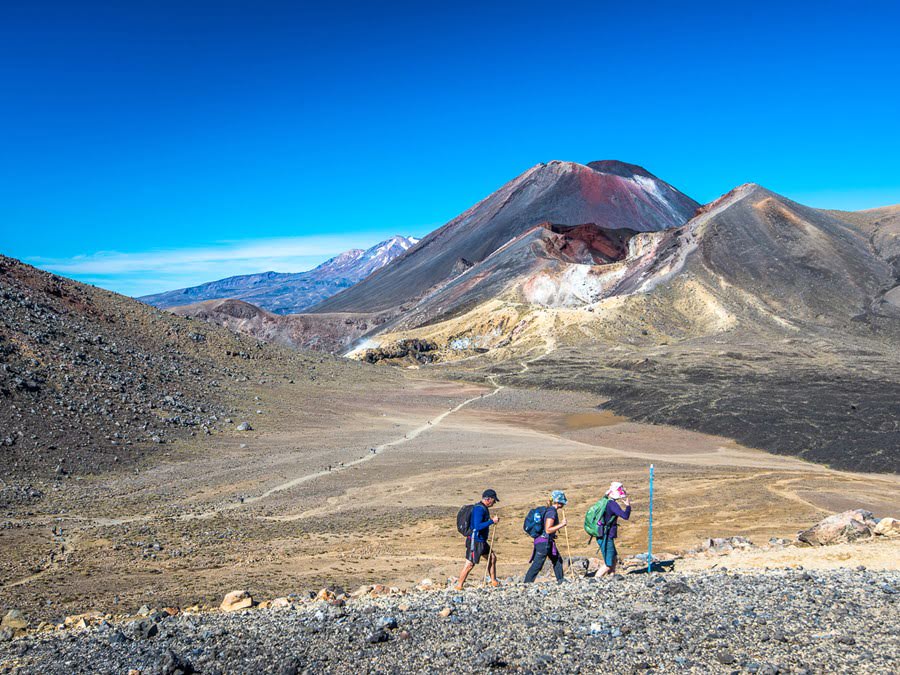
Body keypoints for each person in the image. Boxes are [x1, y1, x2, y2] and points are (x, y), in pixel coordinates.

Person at [455, 489, 500, 590]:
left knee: (492, 558)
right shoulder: (479, 509)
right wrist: (491, 521)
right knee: (470, 564)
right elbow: (477, 526)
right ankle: (459, 586)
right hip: (475, 541)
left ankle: (494, 581)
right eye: (494, 500)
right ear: (488, 499)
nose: (494, 503)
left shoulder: (483, 508)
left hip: (481, 540)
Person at [523, 490, 568, 584]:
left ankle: (561, 581)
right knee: (537, 565)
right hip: (544, 542)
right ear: (559, 501)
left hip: (544, 541)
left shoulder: (549, 510)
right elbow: (548, 529)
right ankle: (526, 584)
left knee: (557, 560)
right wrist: (562, 524)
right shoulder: (552, 512)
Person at [597, 481, 631, 577]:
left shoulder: (606, 502)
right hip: (606, 536)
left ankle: (612, 577)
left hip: (604, 535)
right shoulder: (612, 504)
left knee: (614, 558)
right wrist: (628, 506)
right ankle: (595, 580)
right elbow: (625, 516)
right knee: (608, 564)